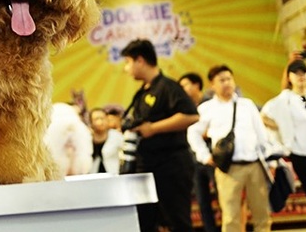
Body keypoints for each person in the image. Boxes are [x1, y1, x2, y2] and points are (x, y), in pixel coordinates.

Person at [120, 39, 200, 232]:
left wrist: (153, 128)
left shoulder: (168, 86)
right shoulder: (143, 91)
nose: (126, 68)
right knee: (146, 222)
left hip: (171, 166)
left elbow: (191, 115)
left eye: (128, 62)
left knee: (177, 221)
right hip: (147, 166)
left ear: (140, 60)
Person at [188, 65, 272, 232]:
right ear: (213, 85)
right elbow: (192, 132)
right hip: (228, 168)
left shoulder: (247, 105)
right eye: (221, 80)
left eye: (229, 79)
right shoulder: (207, 108)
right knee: (230, 216)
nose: (226, 83)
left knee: (262, 214)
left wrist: (270, 161)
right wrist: (204, 156)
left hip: (255, 164)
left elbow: (262, 134)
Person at [262, 60, 306, 232]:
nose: (301, 77)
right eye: (296, 73)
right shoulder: (284, 99)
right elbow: (263, 116)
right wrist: (281, 127)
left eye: (304, 73)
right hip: (301, 153)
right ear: (289, 77)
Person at [179, 71, 219, 232]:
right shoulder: (183, 107)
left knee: (223, 196)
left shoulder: (212, 104)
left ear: (196, 85)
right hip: (193, 159)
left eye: (185, 85)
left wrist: (205, 132)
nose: (182, 89)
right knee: (202, 200)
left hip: (213, 157)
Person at [88, 108, 123, 174]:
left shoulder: (116, 136)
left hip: (113, 175)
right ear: (91, 122)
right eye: (96, 119)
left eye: (102, 118)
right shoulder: (87, 138)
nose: (100, 122)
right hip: (92, 176)